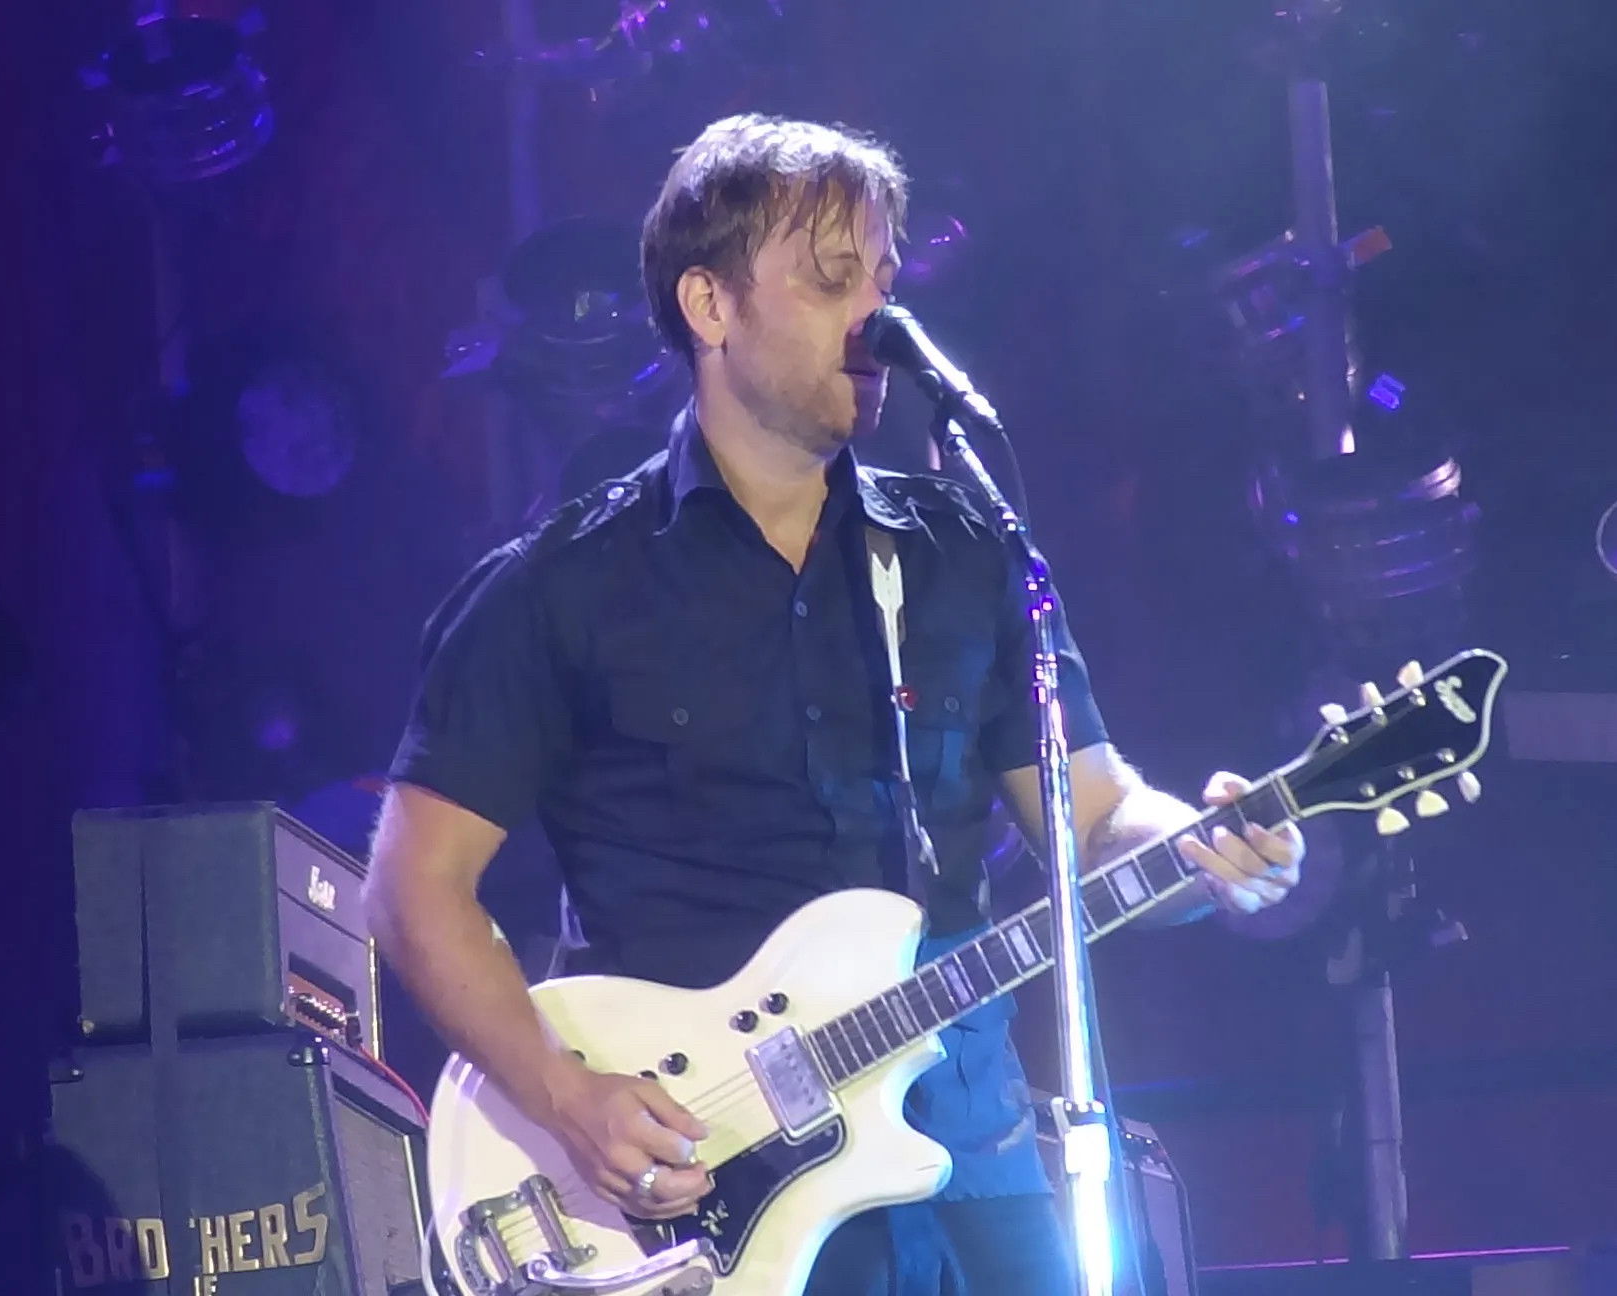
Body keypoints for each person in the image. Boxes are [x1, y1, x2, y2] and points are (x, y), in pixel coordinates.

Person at [365, 114, 1303, 1296]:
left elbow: (1095, 816)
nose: (877, 319)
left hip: (975, 1152)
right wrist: (567, 1094)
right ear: (710, 308)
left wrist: (1207, 848)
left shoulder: (970, 552)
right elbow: (413, 889)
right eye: (829, 279)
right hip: (701, 1185)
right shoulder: (563, 588)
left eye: (883, 278)